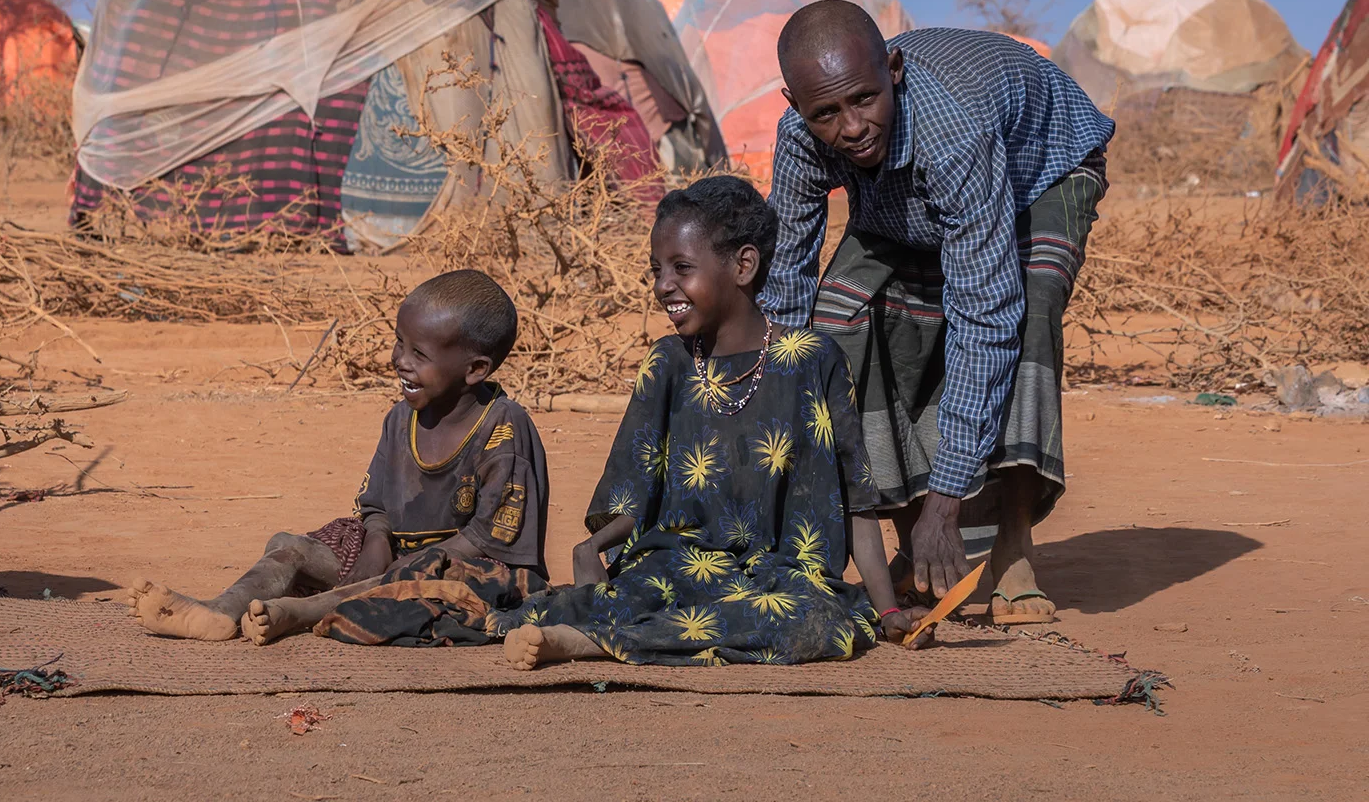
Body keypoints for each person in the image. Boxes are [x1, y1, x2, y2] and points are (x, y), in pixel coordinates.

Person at [761, 2, 1114, 625]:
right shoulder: (801, 143)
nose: (851, 129)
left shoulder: (955, 134)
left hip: (1040, 172)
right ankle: (913, 546)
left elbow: (984, 317)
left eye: (864, 99)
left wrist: (947, 503)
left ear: (893, 70)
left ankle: (1011, 549)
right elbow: (785, 281)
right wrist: (771, 418)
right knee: (840, 320)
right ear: (795, 106)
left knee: (1024, 316)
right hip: (904, 199)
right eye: (825, 114)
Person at [494, 176, 921, 669]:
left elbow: (856, 505)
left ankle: (593, 642)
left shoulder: (814, 360)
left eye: (681, 268)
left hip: (781, 579)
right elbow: (637, 488)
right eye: (656, 270)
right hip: (675, 566)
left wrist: (888, 610)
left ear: (743, 265)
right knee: (602, 598)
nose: (662, 286)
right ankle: (603, 630)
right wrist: (592, 547)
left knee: (810, 621)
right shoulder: (668, 363)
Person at [127, 269, 550, 643]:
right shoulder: (400, 417)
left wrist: (402, 568)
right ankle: (222, 610)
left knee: (405, 587)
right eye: (399, 343)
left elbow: (487, 540)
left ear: (475, 369)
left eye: (419, 354)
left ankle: (298, 614)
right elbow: (376, 504)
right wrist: (378, 541)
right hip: (396, 556)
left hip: (467, 574)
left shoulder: (503, 428)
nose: (399, 361)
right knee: (290, 547)